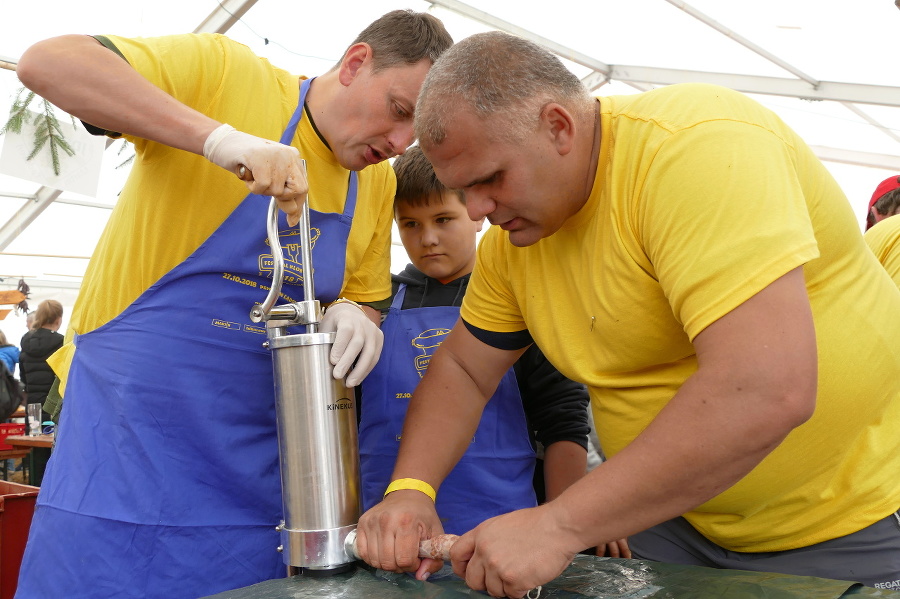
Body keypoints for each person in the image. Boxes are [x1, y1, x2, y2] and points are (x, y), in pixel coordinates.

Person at [354, 31, 900, 597]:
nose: (478, 211)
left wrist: (557, 523)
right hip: (670, 523)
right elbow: (464, 372)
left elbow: (764, 388)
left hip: (849, 524)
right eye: (462, 190)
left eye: (491, 178)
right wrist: (411, 489)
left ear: (559, 126)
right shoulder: (512, 249)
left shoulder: (697, 149)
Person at [14, 11, 452, 598]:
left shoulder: (374, 184)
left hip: (258, 465)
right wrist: (218, 139)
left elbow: (367, 297)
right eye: (399, 111)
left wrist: (357, 314)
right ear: (355, 63)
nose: (399, 144)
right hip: (127, 437)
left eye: (415, 134)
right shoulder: (229, 75)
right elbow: (47, 63)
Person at [358, 146, 628, 559]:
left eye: (443, 219)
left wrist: (571, 519)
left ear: (477, 214)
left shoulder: (518, 296)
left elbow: (563, 418)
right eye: (410, 224)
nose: (427, 238)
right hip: (388, 535)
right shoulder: (373, 304)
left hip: (505, 534)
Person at [18, 299, 64, 485]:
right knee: (57, 451)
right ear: (59, 319)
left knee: (36, 453)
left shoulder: (26, 342)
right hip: (54, 406)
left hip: (33, 407)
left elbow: (24, 378)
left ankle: (34, 495)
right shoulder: (62, 342)